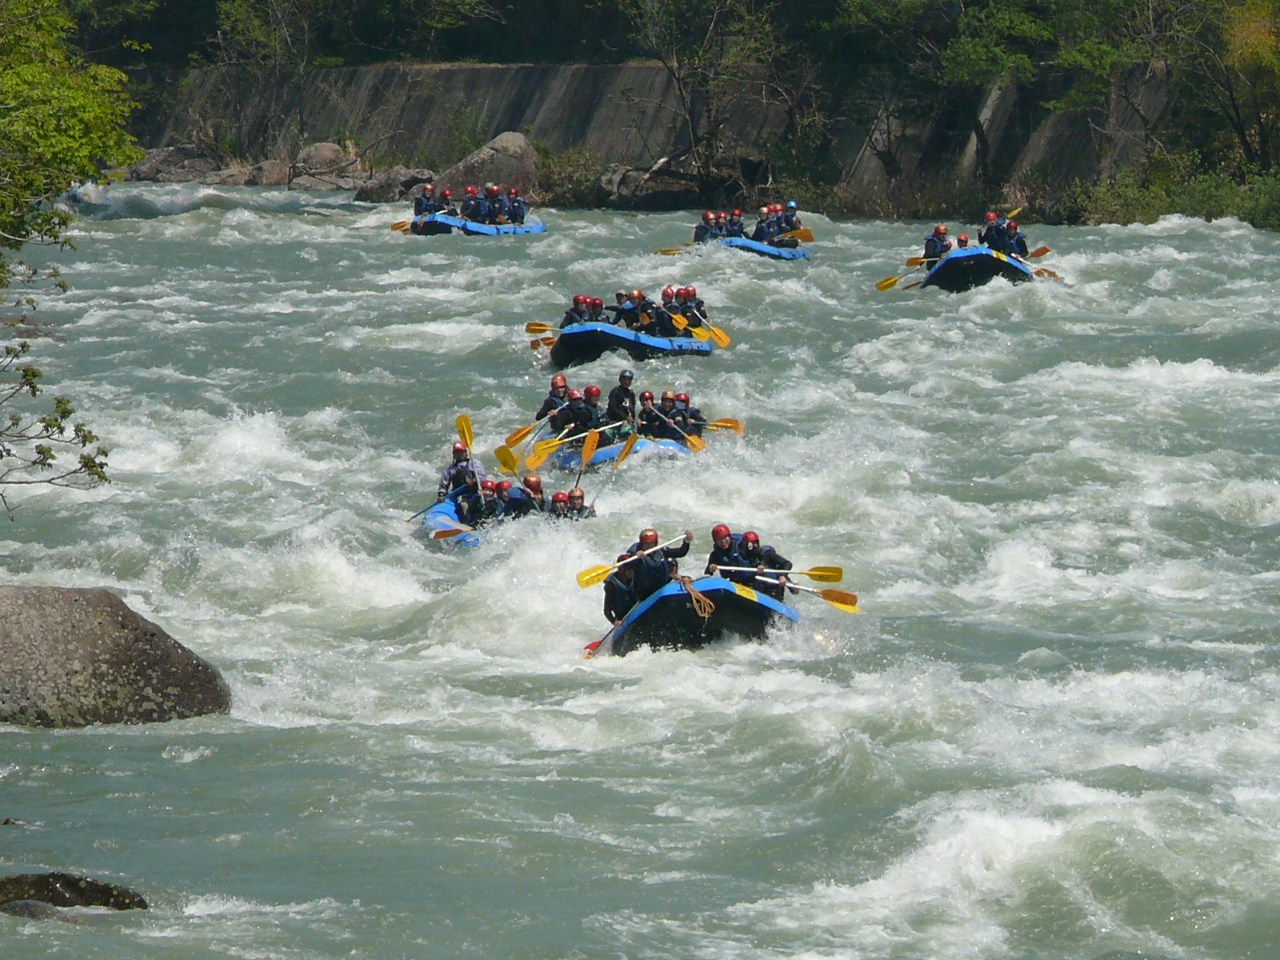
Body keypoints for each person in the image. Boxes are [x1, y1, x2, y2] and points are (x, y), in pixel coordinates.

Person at [627, 527, 693, 601]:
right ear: (641, 544)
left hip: (660, 586)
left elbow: (681, 552)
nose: (649, 547)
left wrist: (687, 541)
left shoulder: (661, 552)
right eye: (646, 544)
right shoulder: (635, 555)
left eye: (651, 544)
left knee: (671, 561)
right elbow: (627, 566)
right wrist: (636, 557)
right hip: (644, 593)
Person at [740, 530, 792, 601]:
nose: (753, 547)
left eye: (755, 543)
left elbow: (787, 564)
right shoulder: (744, 558)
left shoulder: (767, 554)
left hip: (773, 592)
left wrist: (783, 576)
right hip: (758, 590)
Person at [603, 554, 639, 627]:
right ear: (622, 570)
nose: (631, 571)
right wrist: (614, 622)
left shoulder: (636, 578)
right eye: (629, 569)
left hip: (636, 610)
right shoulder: (611, 586)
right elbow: (607, 610)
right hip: (622, 618)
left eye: (632, 568)